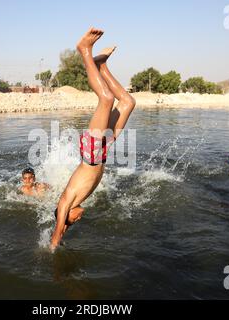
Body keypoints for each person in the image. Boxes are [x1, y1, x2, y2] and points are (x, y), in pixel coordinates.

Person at [50, 28, 136, 251]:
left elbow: (57, 233)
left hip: (91, 152)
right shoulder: (75, 203)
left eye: (73, 220)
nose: (79, 219)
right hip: (102, 151)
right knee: (127, 102)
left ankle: (84, 51)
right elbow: (65, 227)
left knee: (106, 99)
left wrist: (54, 247)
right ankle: (102, 66)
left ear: (65, 215)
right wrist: (66, 229)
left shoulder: (65, 203)